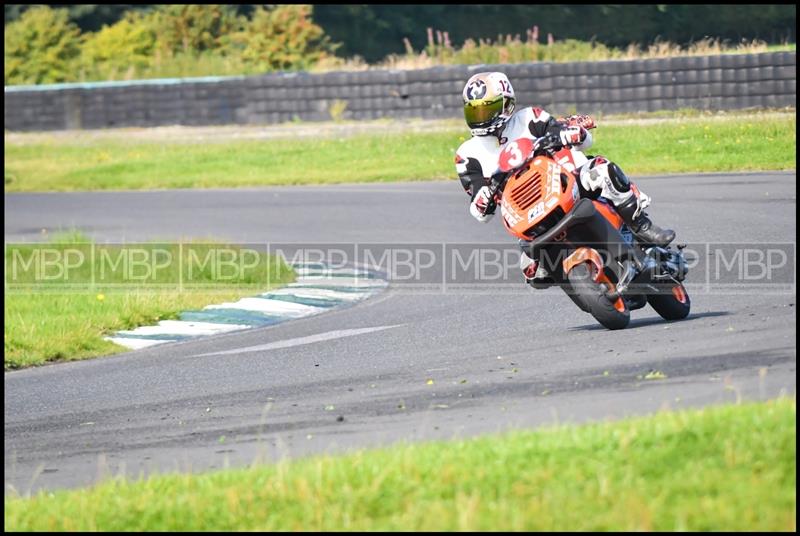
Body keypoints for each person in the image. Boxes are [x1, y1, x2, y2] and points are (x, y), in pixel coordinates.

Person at [454, 71, 675, 285]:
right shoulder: (467, 155)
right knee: (533, 272)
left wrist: (572, 132)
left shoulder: (530, 118)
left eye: (487, 110)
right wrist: (482, 200)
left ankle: (641, 224)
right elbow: (478, 208)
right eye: (474, 112)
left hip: (563, 184)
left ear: (507, 104)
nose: (480, 119)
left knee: (601, 169)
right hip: (526, 213)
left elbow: (574, 136)